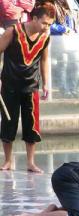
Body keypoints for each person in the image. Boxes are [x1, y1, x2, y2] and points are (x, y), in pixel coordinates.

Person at [0, 1, 55, 174]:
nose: (47, 27)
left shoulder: (45, 37)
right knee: (8, 123)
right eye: (45, 23)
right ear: (35, 18)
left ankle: (31, 162)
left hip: (31, 86)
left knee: (31, 125)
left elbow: (44, 60)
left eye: (50, 24)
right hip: (9, 84)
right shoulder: (13, 31)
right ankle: (8, 160)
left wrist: (46, 82)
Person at [50, 0, 79, 99]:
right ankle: (64, 90)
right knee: (63, 64)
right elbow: (48, 24)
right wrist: (64, 29)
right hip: (60, 39)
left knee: (76, 64)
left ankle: (73, 89)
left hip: (73, 39)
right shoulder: (52, 4)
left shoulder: (73, 2)